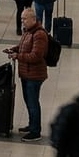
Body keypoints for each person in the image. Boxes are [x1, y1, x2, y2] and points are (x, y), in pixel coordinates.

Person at [7, 9, 49, 142]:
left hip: (34, 75)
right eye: (21, 19)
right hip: (27, 73)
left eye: (24, 19)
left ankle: (36, 131)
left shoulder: (39, 34)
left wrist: (17, 56)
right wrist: (14, 49)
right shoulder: (28, 31)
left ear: (33, 19)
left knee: (32, 103)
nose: (22, 21)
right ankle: (32, 125)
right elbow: (22, 46)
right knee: (29, 101)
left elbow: (36, 56)